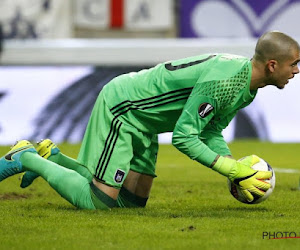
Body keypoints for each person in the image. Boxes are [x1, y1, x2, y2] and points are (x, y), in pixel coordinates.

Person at [0, 31, 299, 209]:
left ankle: (51, 155)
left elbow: (210, 131)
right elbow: (184, 137)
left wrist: (234, 169)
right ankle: (27, 157)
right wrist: (230, 167)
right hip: (125, 108)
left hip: (147, 121)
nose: (296, 70)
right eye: (293, 64)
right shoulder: (225, 80)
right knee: (99, 203)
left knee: (131, 203)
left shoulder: (246, 87)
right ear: (272, 65)